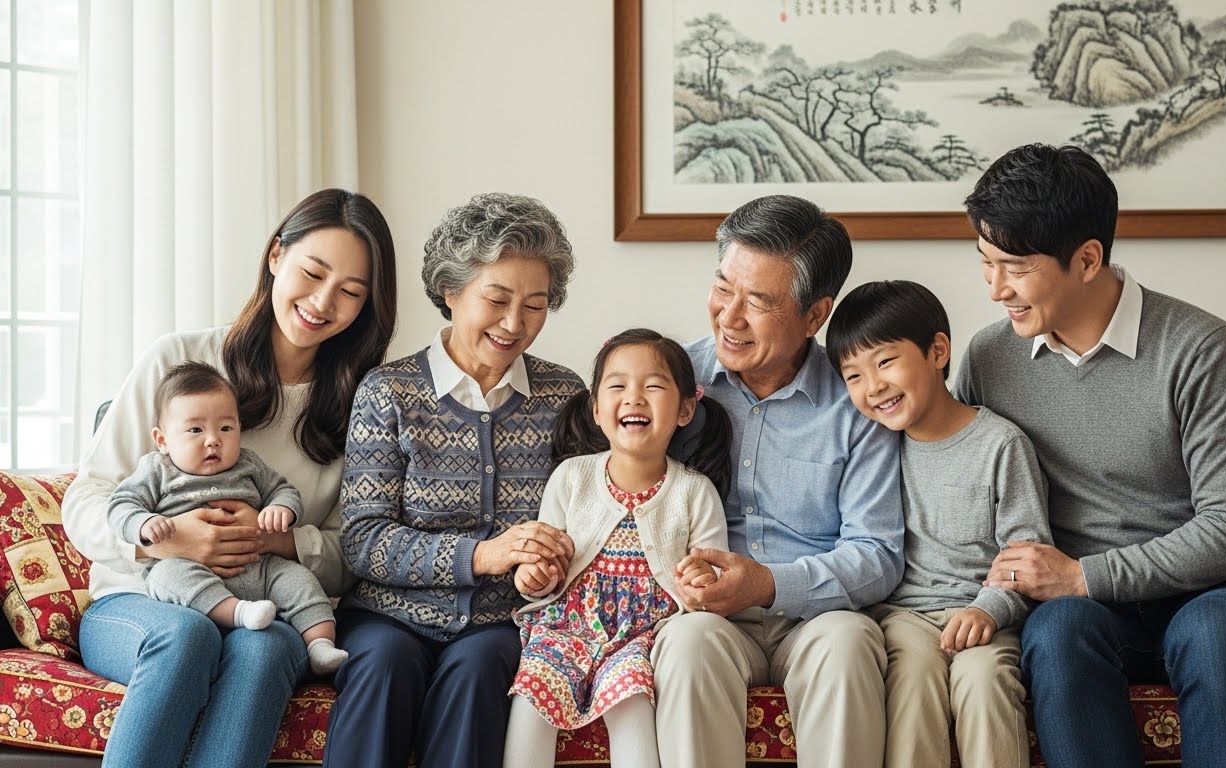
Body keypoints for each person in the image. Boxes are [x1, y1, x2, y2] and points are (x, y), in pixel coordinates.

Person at [953, 143, 1226, 768]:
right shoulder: (988, 358)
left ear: (1087, 259)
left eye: (1015, 267)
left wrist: (1083, 576)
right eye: (985, 262)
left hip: (1215, 596)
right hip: (1083, 615)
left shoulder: (1201, 348)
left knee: (1212, 638)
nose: (996, 288)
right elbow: (952, 473)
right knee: (1054, 637)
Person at [63, 188, 398, 768]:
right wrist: (167, 537)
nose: (322, 302)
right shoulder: (179, 360)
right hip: (138, 600)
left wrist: (274, 539)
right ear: (275, 258)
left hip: (268, 605)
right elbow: (87, 497)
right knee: (186, 636)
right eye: (312, 273)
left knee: (264, 651)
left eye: (349, 292)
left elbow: (359, 549)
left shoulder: (364, 403)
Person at [325, 192, 584, 768]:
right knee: (385, 664)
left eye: (536, 306)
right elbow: (364, 540)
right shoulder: (388, 392)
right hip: (388, 614)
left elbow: (587, 518)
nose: (515, 323)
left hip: (502, 620)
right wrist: (483, 555)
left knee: (480, 667)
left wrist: (546, 565)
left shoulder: (565, 395)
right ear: (450, 290)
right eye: (496, 299)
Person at [652, 194, 904, 768]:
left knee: (848, 644)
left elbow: (878, 553)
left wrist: (768, 584)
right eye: (723, 288)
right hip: (706, 617)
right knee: (686, 646)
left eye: (759, 301)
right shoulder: (669, 381)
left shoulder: (860, 402)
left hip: (819, 615)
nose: (730, 316)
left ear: (816, 315)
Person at [825, 280, 1050, 768]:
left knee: (986, 681)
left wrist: (988, 609)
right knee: (912, 677)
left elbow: (1027, 553)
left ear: (938, 351)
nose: (874, 387)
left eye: (885, 362)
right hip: (903, 617)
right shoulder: (872, 448)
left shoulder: (1001, 445)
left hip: (988, 613)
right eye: (853, 376)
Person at [503, 328, 734, 768]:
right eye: (618, 386)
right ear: (595, 408)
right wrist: (533, 578)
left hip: (642, 637)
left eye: (653, 386)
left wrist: (705, 581)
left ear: (686, 409)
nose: (634, 397)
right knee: (531, 698)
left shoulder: (694, 491)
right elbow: (541, 564)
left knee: (630, 703)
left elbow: (715, 579)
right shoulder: (572, 478)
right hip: (565, 629)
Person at [107, 362, 348, 674]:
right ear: (162, 439)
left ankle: (320, 645)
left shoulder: (248, 464)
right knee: (167, 577)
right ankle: (238, 613)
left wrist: (280, 509)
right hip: (189, 566)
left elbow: (283, 490)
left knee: (299, 580)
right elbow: (120, 504)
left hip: (259, 565)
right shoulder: (156, 470)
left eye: (225, 428)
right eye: (195, 430)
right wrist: (141, 525)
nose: (213, 440)